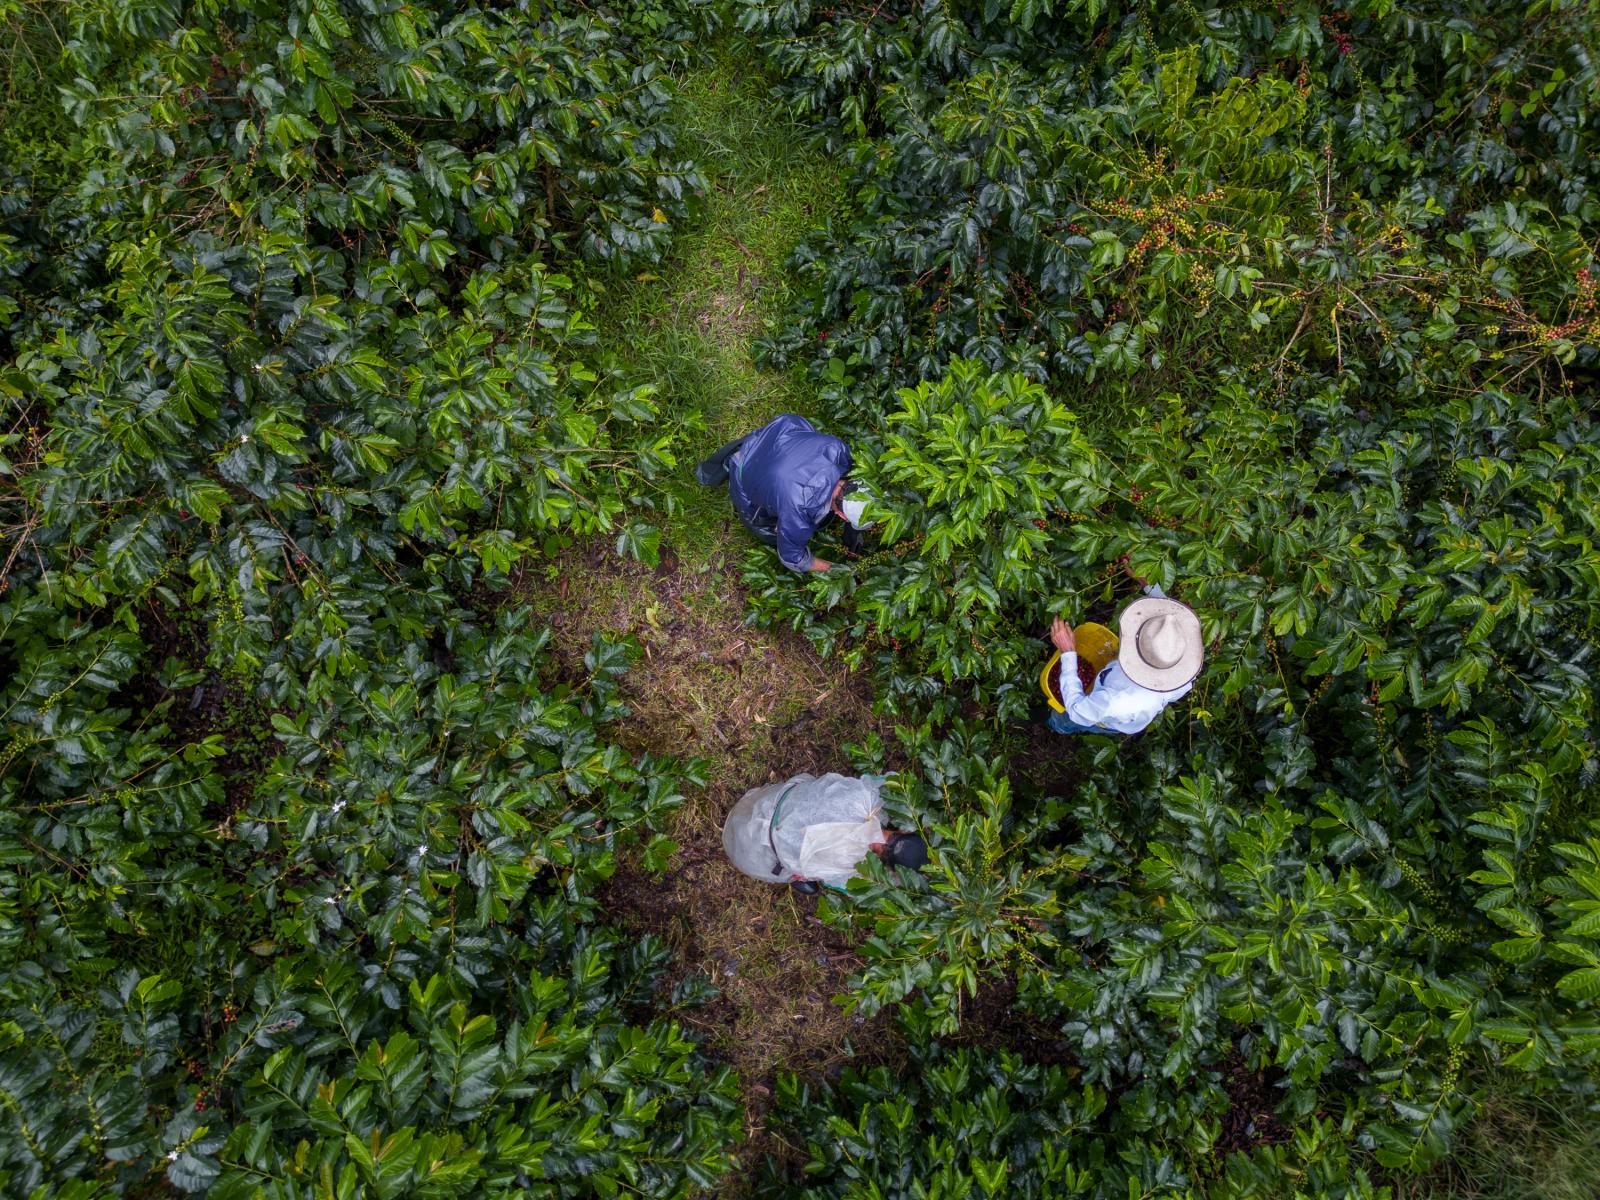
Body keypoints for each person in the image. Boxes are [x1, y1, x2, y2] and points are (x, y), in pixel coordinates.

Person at [695, 414, 873, 573]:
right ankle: (739, 470)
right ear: (841, 515)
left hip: (777, 435)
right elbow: (793, 558)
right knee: (770, 532)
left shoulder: (838, 449)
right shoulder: (799, 511)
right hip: (745, 471)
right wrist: (838, 570)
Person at [1045, 569, 1204, 736]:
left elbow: (1078, 711)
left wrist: (1068, 653)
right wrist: (1147, 584)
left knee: (1064, 719)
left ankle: (1055, 726)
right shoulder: (1180, 650)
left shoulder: (1120, 702)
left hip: (1108, 718)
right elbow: (1169, 621)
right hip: (1112, 685)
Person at [721, 772, 928, 894]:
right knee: (804, 872)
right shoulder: (855, 869)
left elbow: (889, 780)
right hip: (751, 858)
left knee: (812, 786)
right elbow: (837, 883)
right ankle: (798, 877)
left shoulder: (864, 798)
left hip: (763, 805)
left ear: (903, 829)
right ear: (890, 869)